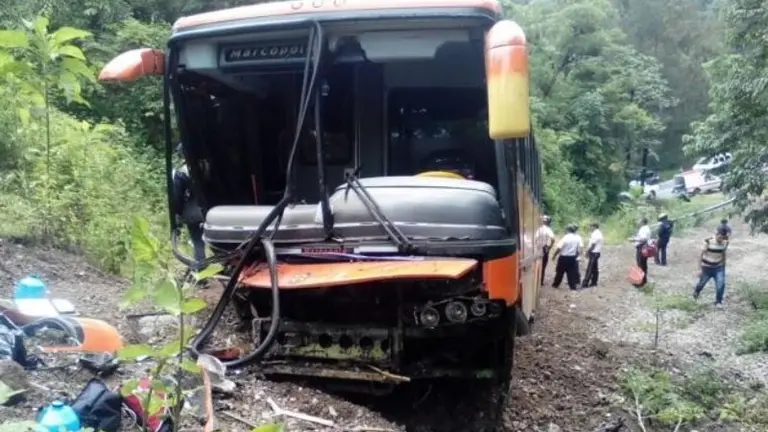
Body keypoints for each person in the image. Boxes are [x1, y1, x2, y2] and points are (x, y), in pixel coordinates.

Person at [172, 143, 206, 270]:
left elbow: (177, 197)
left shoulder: (181, 172)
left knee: (198, 242)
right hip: (211, 211)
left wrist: (177, 213)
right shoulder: (206, 167)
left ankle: (200, 271)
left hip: (193, 213)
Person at [693, 224, 730, 308]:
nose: (721, 240)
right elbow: (700, 254)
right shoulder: (708, 241)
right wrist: (699, 269)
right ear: (717, 234)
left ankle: (718, 302)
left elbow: (723, 254)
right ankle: (696, 292)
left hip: (718, 267)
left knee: (721, 283)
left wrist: (724, 267)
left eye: (723, 238)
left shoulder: (725, 242)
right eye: (720, 237)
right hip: (706, 267)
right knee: (702, 283)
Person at [551, 223, 583, 290]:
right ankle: (572, 287)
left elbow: (559, 248)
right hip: (572, 257)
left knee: (559, 272)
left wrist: (554, 256)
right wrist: (579, 255)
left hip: (563, 258)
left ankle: (555, 285)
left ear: (568, 230)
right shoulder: (577, 238)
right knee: (571, 273)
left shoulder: (565, 238)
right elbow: (580, 248)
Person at [581, 222, 603, 288]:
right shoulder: (599, 233)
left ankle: (585, 283)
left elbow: (593, 245)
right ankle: (594, 282)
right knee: (595, 268)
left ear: (594, 227)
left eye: (591, 227)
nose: (590, 228)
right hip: (597, 252)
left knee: (590, 268)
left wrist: (587, 252)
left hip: (594, 252)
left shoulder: (595, 234)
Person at [535, 215, 556, 286]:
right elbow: (553, 239)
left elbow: (535, 239)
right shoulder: (548, 230)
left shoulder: (539, 229)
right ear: (548, 222)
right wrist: (550, 247)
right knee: (543, 265)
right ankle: (541, 282)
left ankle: (537, 280)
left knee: (537, 264)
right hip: (544, 248)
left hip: (538, 248)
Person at [631, 217, 652, 287]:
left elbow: (643, 238)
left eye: (640, 221)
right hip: (645, 247)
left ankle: (639, 282)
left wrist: (634, 239)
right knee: (644, 264)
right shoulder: (647, 228)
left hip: (641, 247)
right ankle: (644, 280)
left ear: (642, 222)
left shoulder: (643, 229)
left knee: (640, 264)